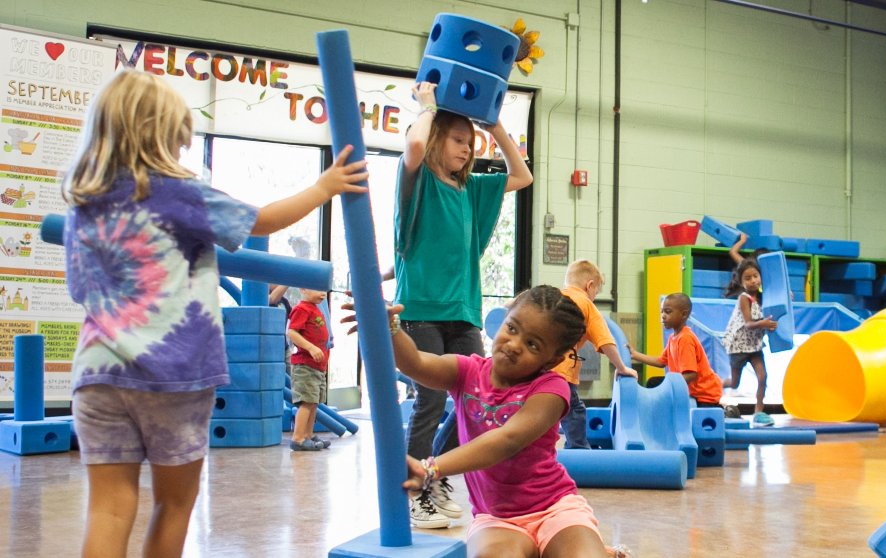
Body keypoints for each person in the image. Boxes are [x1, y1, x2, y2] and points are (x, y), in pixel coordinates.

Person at [63, 69, 366, 558]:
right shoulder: (177, 192)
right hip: (174, 377)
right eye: (179, 142)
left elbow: (80, 289)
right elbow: (258, 221)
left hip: (99, 374)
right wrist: (324, 187)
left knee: (110, 508)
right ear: (159, 137)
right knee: (174, 504)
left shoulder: (84, 204)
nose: (181, 153)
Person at [343, 286, 628, 556]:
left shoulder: (552, 388)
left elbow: (507, 440)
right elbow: (415, 362)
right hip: (497, 518)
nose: (514, 345)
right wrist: (389, 328)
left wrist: (432, 468)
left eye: (532, 344)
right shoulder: (467, 370)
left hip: (555, 509)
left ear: (552, 360)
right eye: (512, 328)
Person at [396, 81, 534, 525]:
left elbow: (522, 175)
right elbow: (415, 143)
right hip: (419, 310)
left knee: (478, 402)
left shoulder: (470, 190)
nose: (466, 149)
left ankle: (430, 477)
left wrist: (494, 124)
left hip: (463, 314)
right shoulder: (416, 183)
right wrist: (427, 106)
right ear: (438, 137)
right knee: (431, 401)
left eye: (469, 143)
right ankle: (415, 492)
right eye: (458, 140)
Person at [552, 260, 637, 449]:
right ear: (589, 286)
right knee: (574, 411)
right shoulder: (587, 306)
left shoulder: (552, 297)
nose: (594, 297)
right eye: (596, 293)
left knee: (542, 411)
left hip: (536, 368)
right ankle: (579, 450)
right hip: (561, 372)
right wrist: (622, 367)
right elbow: (606, 342)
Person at [630, 293, 724, 407]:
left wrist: (668, 386)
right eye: (662, 312)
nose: (663, 316)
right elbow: (660, 362)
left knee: (659, 387)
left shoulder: (685, 338)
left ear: (683, 314)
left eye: (668, 312)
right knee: (653, 383)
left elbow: (691, 375)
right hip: (687, 389)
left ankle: (725, 411)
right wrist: (634, 354)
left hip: (703, 395)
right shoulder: (673, 338)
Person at [720, 257, 777, 425]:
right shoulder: (744, 298)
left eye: (755, 276)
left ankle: (759, 411)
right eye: (748, 278)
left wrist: (787, 296)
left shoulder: (762, 296)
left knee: (763, 376)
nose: (753, 281)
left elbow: (777, 303)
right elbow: (749, 323)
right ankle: (714, 383)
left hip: (754, 346)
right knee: (734, 383)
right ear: (741, 282)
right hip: (739, 345)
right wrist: (764, 324)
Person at [287, 288, 334, 451]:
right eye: (317, 289)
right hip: (305, 365)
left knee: (313, 402)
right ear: (304, 290)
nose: (322, 293)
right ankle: (298, 438)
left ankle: (308, 435)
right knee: (306, 402)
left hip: (318, 366)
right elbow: (292, 332)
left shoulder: (317, 308)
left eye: (324, 290)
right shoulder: (301, 308)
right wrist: (311, 348)